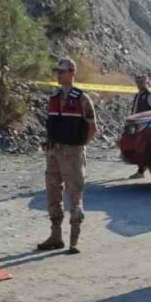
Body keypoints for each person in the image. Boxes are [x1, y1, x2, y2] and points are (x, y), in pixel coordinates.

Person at [38, 57, 97, 254]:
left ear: (72, 72)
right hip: (54, 150)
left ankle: (74, 240)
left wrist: (80, 146)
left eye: (62, 71)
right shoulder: (53, 97)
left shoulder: (82, 98)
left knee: (74, 193)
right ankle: (55, 236)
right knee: (53, 193)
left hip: (73, 152)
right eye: (57, 71)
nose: (58, 74)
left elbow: (92, 127)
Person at [128, 73, 151, 179]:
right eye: (137, 82)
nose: (139, 84)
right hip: (137, 125)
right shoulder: (138, 95)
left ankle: (141, 171)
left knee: (143, 148)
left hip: (145, 125)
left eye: (141, 82)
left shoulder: (150, 94)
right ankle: (142, 168)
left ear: (146, 82)